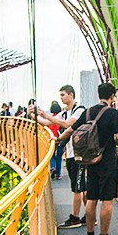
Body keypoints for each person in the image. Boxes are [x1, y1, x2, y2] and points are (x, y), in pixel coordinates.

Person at [70, 82, 118, 235]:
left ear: (98, 94)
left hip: (91, 160)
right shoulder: (113, 113)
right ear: (112, 97)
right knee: (107, 200)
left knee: (92, 198)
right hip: (107, 161)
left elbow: (73, 129)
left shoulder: (87, 112)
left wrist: (59, 140)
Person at [38, 86, 85, 217]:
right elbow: (46, 122)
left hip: (79, 154)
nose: (61, 98)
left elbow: (67, 124)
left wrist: (46, 115)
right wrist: (33, 114)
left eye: (63, 95)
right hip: (70, 153)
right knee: (81, 186)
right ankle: (88, 215)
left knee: (77, 187)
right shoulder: (64, 113)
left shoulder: (79, 110)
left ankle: (76, 216)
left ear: (71, 95)